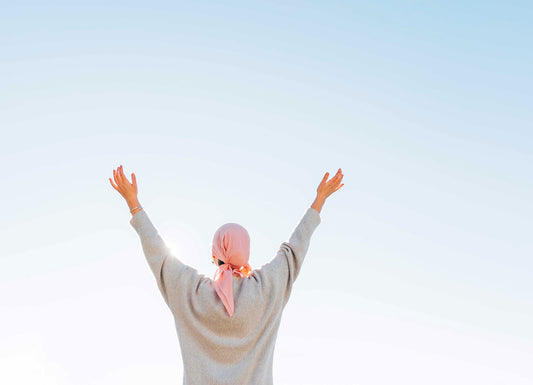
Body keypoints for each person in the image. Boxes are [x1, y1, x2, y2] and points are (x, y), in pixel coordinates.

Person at [109, 165, 344, 385]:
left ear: (215, 255)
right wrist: (320, 199)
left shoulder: (192, 293)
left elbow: (159, 254)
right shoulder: (268, 288)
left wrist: (133, 203)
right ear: (246, 254)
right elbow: (294, 248)